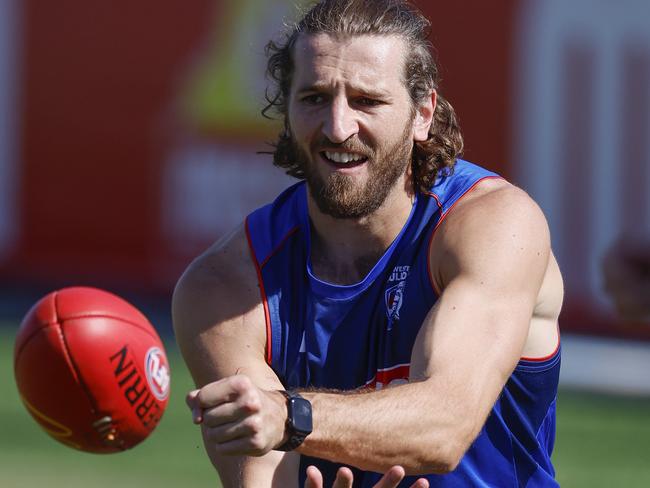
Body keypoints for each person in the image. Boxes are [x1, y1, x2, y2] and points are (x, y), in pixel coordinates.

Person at [172, 0, 563, 486]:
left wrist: (291, 417)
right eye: (314, 97)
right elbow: (263, 473)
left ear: (423, 114)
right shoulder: (223, 289)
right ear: (287, 112)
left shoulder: (495, 224)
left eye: (367, 101)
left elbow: (445, 426)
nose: (338, 127)